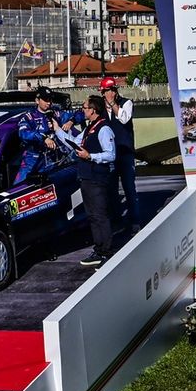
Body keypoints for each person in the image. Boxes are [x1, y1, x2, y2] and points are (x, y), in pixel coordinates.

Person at [51, 95, 116, 267]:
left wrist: (90, 156)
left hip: (97, 178)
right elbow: (73, 142)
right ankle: (99, 248)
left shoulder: (103, 129)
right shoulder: (89, 128)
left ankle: (107, 251)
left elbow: (110, 154)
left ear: (93, 110)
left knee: (100, 215)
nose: (83, 110)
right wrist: (58, 130)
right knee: (92, 216)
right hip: (86, 177)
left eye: (85, 107)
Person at [100, 77, 138, 234]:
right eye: (107, 90)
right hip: (110, 154)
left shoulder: (126, 103)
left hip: (125, 152)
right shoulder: (100, 108)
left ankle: (135, 220)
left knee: (129, 187)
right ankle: (116, 221)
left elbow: (124, 119)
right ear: (102, 92)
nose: (111, 93)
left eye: (113, 89)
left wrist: (113, 104)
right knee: (111, 189)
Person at [16, 87, 59, 184]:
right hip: (32, 157)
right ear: (37, 100)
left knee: (53, 189)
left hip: (50, 159)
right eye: (45, 100)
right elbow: (23, 133)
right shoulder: (29, 116)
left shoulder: (56, 114)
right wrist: (43, 138)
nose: (49, 103)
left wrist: (71, 121)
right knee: (19, 187)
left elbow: (79, 114)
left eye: (50, 100)